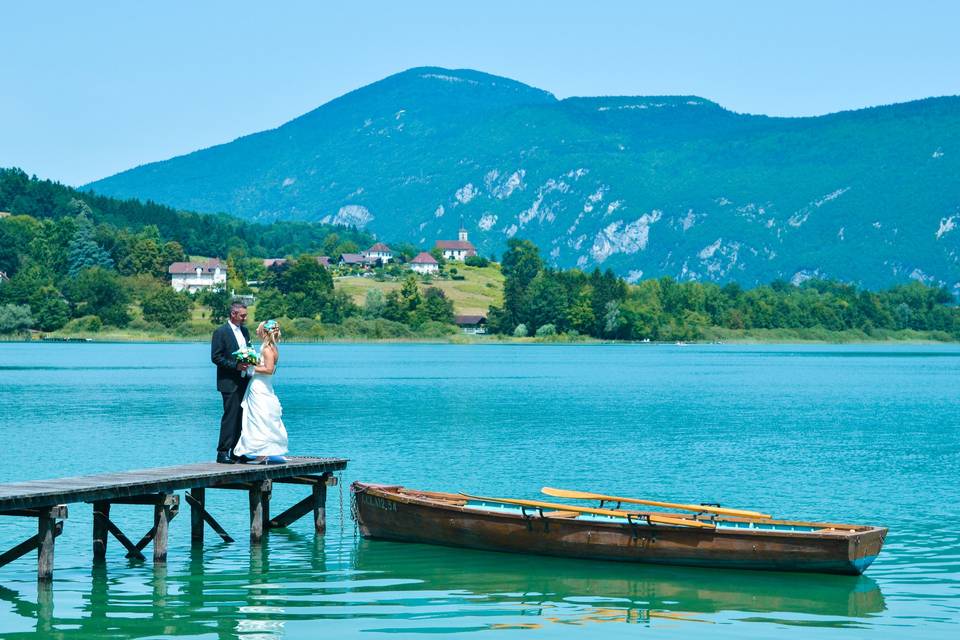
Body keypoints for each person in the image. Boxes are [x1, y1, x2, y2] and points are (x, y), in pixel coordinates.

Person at [233, 319, 288, 464]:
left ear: (264, 332)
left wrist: (249, 368)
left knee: (259, 418)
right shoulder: (272, 347)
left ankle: (262, 454)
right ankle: (263, 452)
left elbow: (269, 370)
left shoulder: (267, 349)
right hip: (264, 385)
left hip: (260, 386)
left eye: (258, 328)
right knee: (262, 418)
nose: (256, 330)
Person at [211, 301, 251, 464]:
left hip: (244, 380)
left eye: (245, 315)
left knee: (242, 416)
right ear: (233, 314)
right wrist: (235, 366)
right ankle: (222, 452)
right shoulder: (221, 332)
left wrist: (251, 361)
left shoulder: (245, 331)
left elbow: (246, 351)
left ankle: (237, 451)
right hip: (228, 381)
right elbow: (216, 357)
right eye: (242, 315)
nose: (245, 318)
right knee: (230, 416)